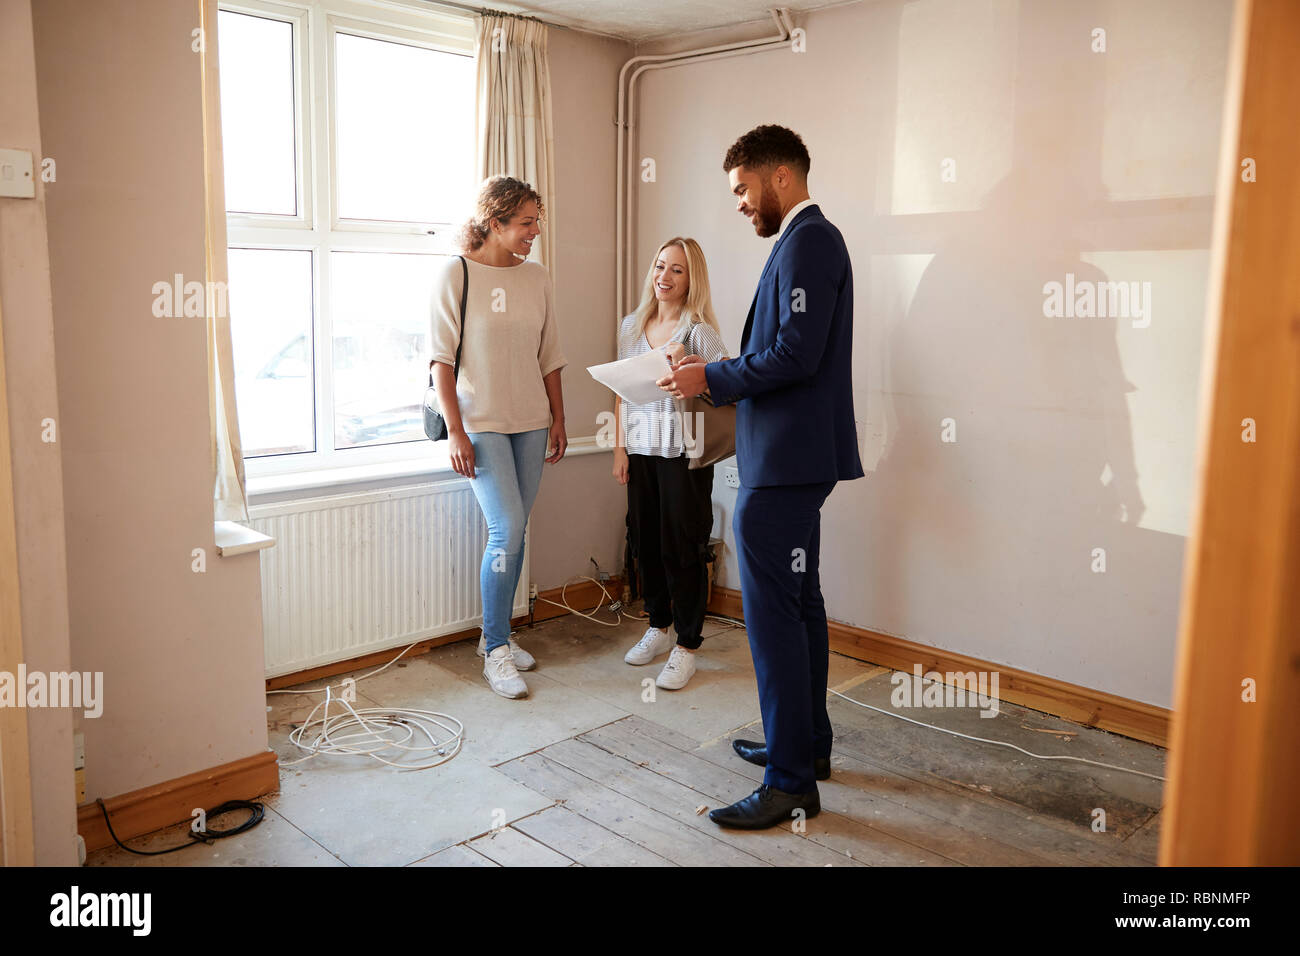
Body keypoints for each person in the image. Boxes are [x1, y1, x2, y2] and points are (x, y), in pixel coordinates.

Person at [658, 125, 864, 829]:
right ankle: (805, 748)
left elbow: (795, 356)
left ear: (780, 177)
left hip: (784, 460)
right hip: (797, 456)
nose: (741, 204)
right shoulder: (809, 242)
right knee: (800, 603)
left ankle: (789, 783)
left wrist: (707, 376)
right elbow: (792, 354)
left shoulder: (809, 241)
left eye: (743, 189)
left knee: (774, 618)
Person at [430, 175, 568, 700]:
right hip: (480, 423)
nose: (535, 232)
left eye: (538, 221)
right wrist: (456, 433)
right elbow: (441, 360)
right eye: (526, 223)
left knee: (517, 531)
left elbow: (549, 354)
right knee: (505, 529)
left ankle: (501, 637)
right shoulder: (456, 274)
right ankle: (494, 650)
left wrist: (559, 418)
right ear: (496, 223)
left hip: (531, 421)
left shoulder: (537, 278)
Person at [613, 238, 729, 690]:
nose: (665, 276)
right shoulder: (630, 326)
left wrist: (691, 366)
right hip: (640, 451)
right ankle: (658, 627)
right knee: (646, 543)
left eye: (677, 270)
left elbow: (727, 388)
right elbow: (621, 391)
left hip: (685, 454)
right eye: (660, 266)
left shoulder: (697, 329)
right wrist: (619, 449)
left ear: (691, 278)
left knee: (684, 547)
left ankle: (688, 645)